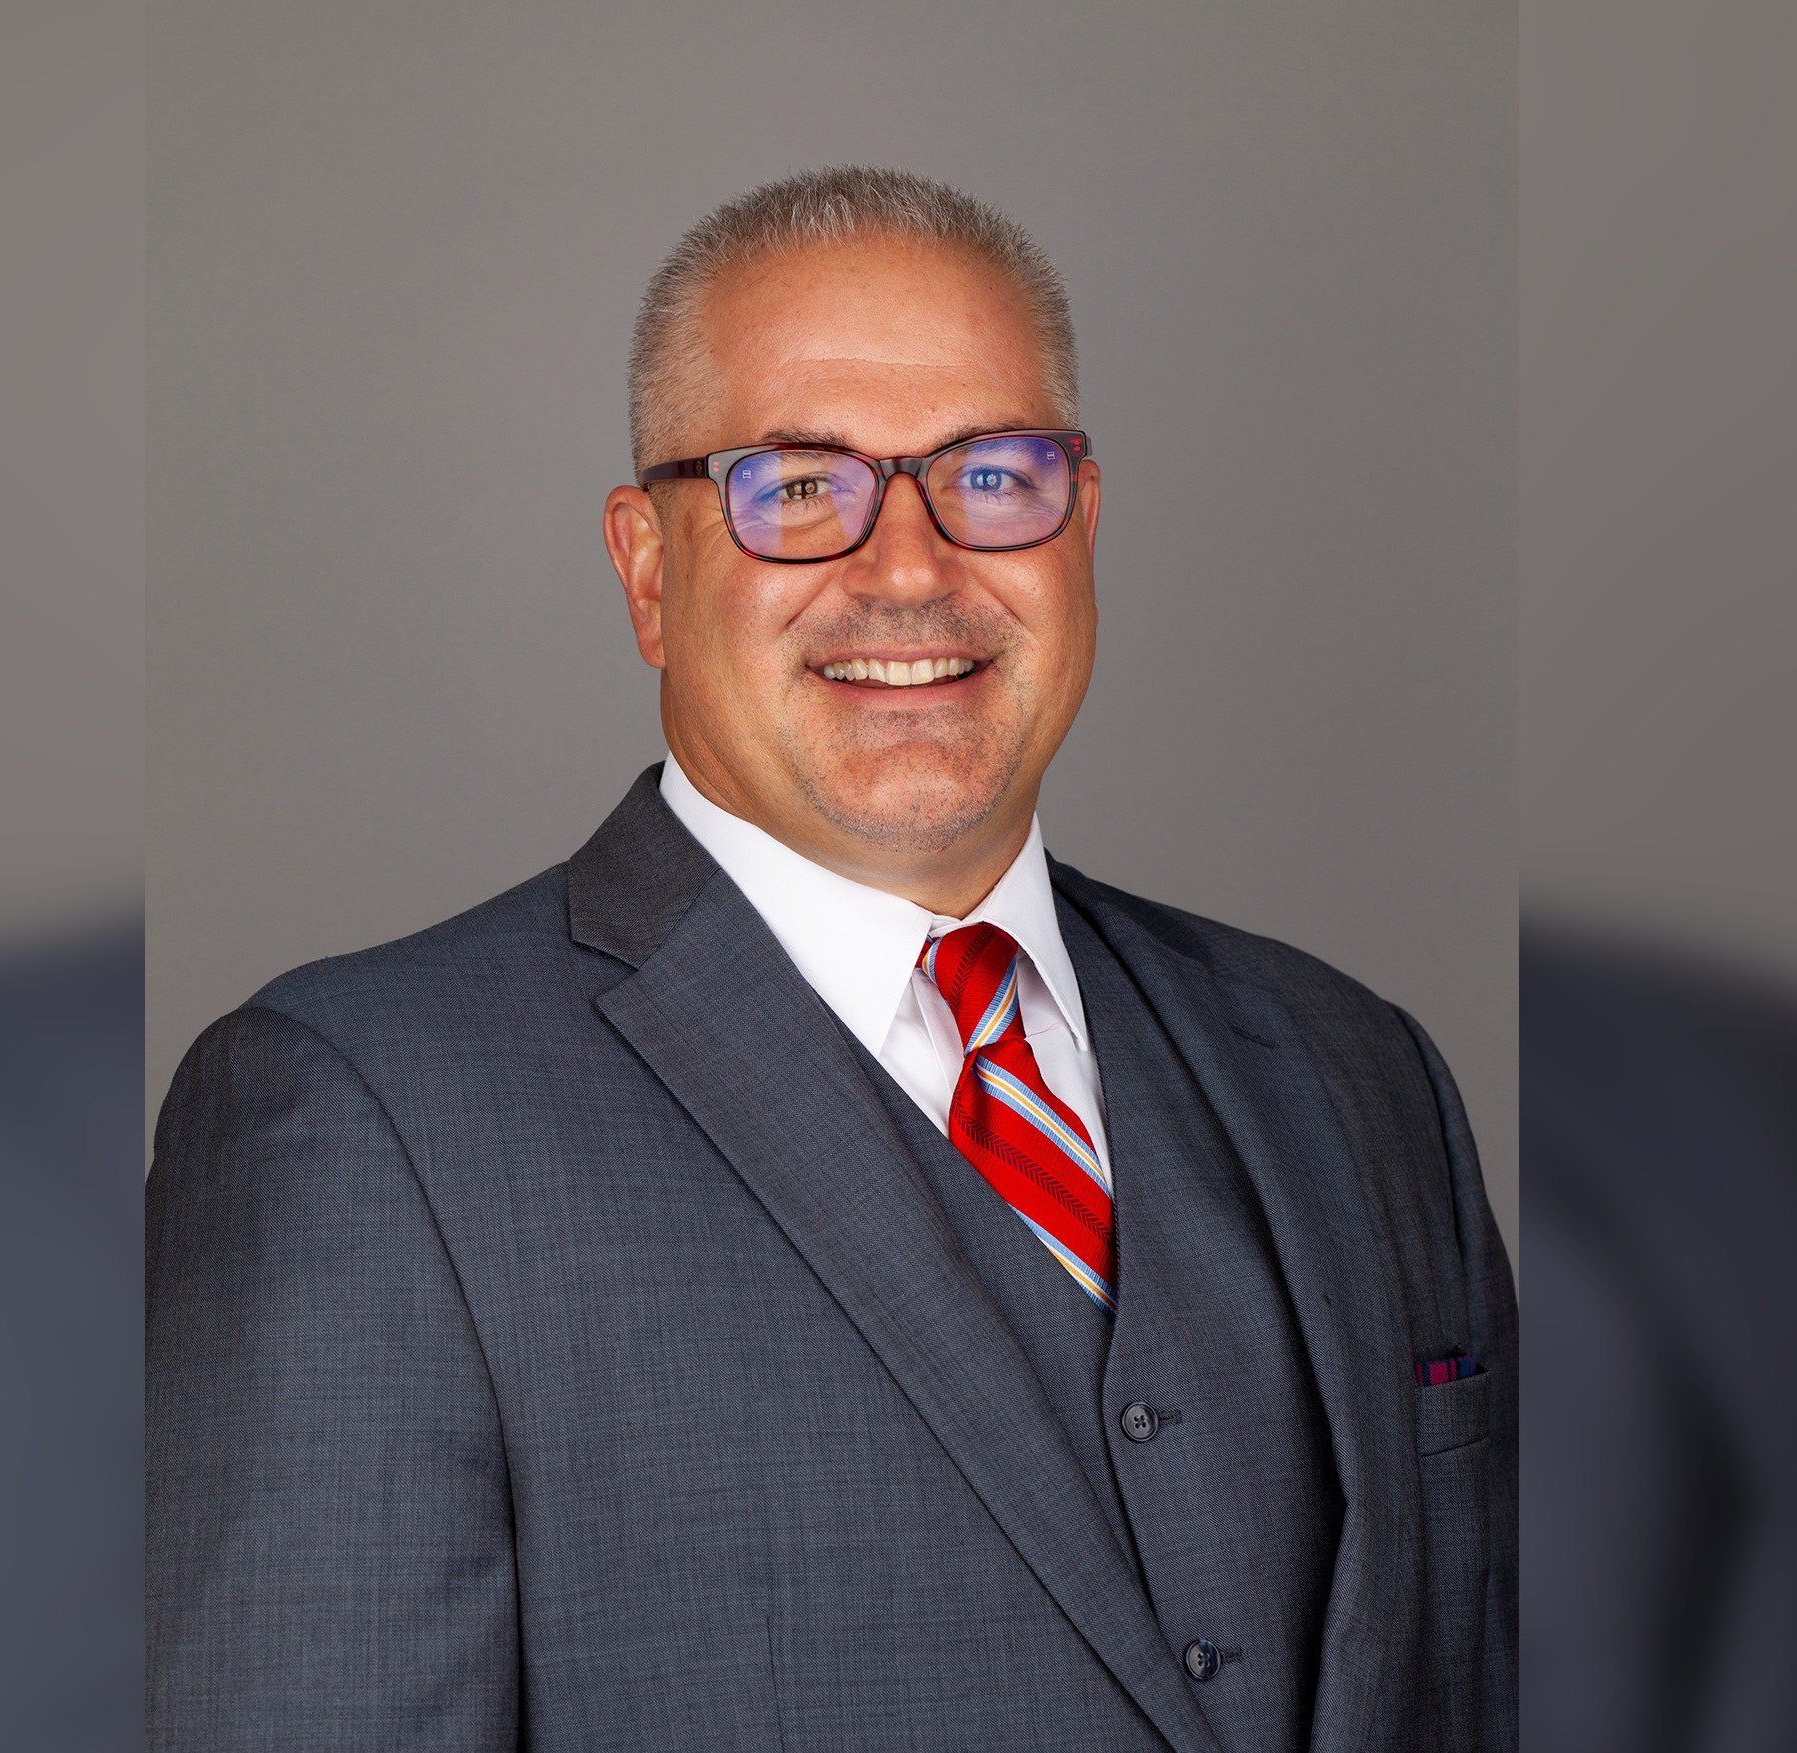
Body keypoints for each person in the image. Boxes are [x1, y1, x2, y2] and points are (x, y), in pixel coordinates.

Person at [148, 166, 1515, 1753]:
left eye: (989, 475)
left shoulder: (1352, 1071)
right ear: (648, 570)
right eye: (798, 486)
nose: (909, 569)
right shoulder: (359, 1118)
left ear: (1082, 524)